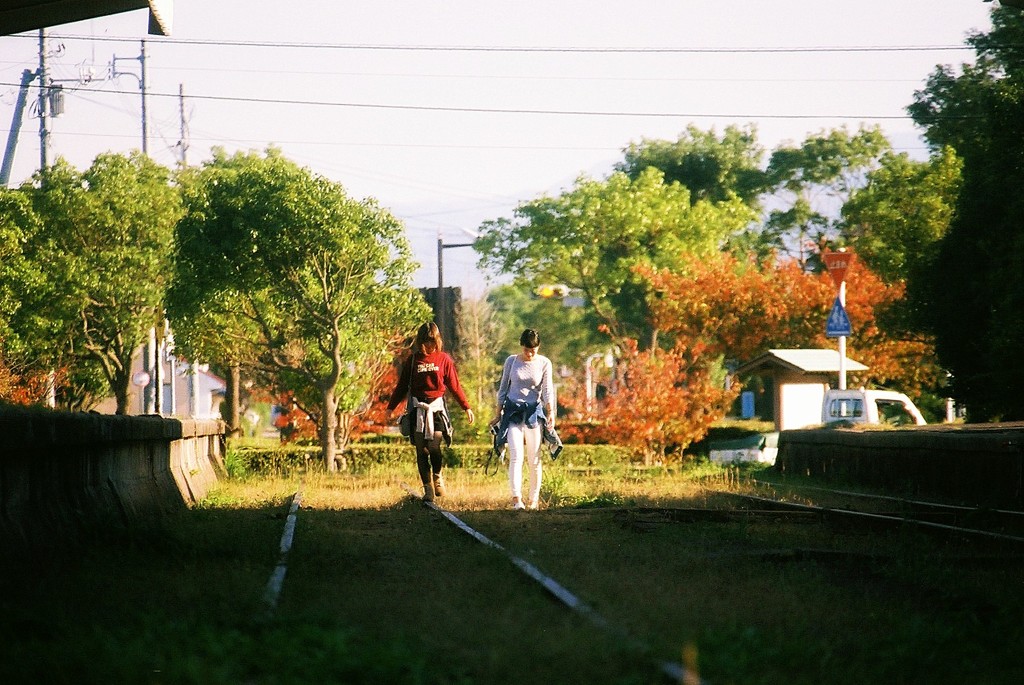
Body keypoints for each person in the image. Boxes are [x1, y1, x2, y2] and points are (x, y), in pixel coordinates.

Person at [388, 322, 475, 502]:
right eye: (426, 341)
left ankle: (437, 475)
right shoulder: (412, 360)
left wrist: (466, 407)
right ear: (420, 341)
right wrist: (391, 407)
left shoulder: (444, 359)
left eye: (432, 341)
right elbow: (402, 386)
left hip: (436, 408)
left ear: (437, 341)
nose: (429, 345)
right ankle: (427, 487)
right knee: (422, 450)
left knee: (434, 445)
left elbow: (454, 385)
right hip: (417, 408)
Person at [491, 328, 557, 510]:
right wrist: (498, 414)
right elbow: (503, 388)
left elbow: (547, 390)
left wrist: (550, 412)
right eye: (526, 350)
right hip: (512, 412)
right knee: (516, 455)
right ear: (521, 346)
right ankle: (516, 497)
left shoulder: (544, 363)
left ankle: (533, 499)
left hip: (533, 413)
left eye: (533, 351)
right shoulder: (511, 361)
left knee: (534, 458)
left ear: (538, 348)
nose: (529, 354)